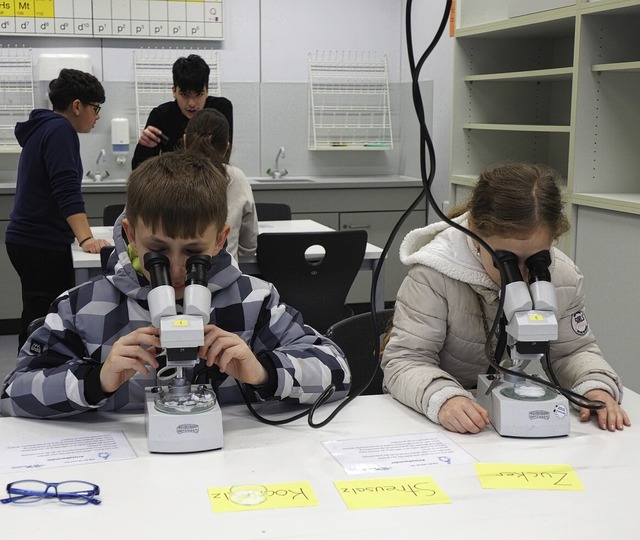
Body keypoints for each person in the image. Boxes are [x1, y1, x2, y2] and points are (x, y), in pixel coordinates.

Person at [0, 151, 350, 419]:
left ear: (219, 241)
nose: (178, 269)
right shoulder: (81, 308)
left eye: (194, 253)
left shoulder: (254, 302)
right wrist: (96, 380)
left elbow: (338, 370)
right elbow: (12, 392)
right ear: (130, 235)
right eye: (158, 252)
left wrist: (264, 373)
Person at [382, 163, 630, 435]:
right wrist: (444, 398)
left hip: (499, 418)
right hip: (446, 416)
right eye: (506, 261)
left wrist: (595, 387)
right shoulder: (434, 274)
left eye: (537, 260)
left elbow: (573, 351)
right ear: (475, 233)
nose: (522, 275)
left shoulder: (562, 276)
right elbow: (405, 360)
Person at [5, 68, 111, 351]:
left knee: (37, 313)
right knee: (44, 319)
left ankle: (30, 370)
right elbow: (65, 189)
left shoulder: (43, 127)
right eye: (96, 108)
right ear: (78, 106)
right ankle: (30, 376)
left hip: (26, 241)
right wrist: (86, 238)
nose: (97, 116)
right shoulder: (60, 130)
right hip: (39, 243)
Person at [131, 54, 233, 170]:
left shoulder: (219, 109)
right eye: (184, 95)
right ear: (174, 91)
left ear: (207, 91)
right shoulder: (161, 115)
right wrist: (144, 148)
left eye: (199, 95)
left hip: (213, 181)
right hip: (173, 183)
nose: (192, 103)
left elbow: (223, 159)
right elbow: (138, 171)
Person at [184, 108, 258, 261]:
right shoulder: (236, 178)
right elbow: (249, 244)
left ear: (185, 141)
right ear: (226, 147)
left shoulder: (166, 175)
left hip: (175, 277)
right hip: (226, 277)